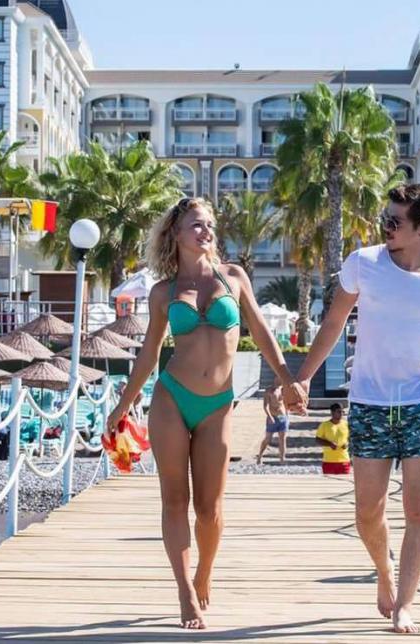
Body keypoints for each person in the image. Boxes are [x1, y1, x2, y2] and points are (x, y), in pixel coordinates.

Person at [105, 197, 305, 630]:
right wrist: (123, 406)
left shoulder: (233, 277)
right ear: (175, 233)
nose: (206, 231)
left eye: (209, 224)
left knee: (209, 509)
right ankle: (184, 592)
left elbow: (262, 333)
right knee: (174, 500)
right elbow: (149, 355)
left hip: (217, 405)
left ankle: (204, 571)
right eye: (196, 224)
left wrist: (288, 379)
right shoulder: (163, 292)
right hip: (171, 398)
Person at [288, 183, 420, 634]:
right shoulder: (363, 264)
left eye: (394, 221)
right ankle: (384, 572)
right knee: (367, 513)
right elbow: (334, 322)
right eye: (384, 219)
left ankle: (405, 603)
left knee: (419, 510)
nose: (385, 227)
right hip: (370, 402)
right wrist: (304, 377)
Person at [256, 384, 289, 464]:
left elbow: (286, 403)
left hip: (282, 417)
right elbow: (265, 406)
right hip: (273, 417)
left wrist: (287, 416)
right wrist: (270, 417)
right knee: (268, 439)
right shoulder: (269, 390)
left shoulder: (284, 389)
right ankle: (260, 456)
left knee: (282, 439)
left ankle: (282, 459)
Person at [315, 403, 351, 475]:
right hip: (329, 461)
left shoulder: (346, 424)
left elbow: (351, 438)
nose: (341, 414)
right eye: (339, 412)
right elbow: (318, 440)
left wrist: (347, 444)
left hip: (344, 460)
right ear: (332, 412)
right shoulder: (324, 425)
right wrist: (329, 444)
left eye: (342, 412)